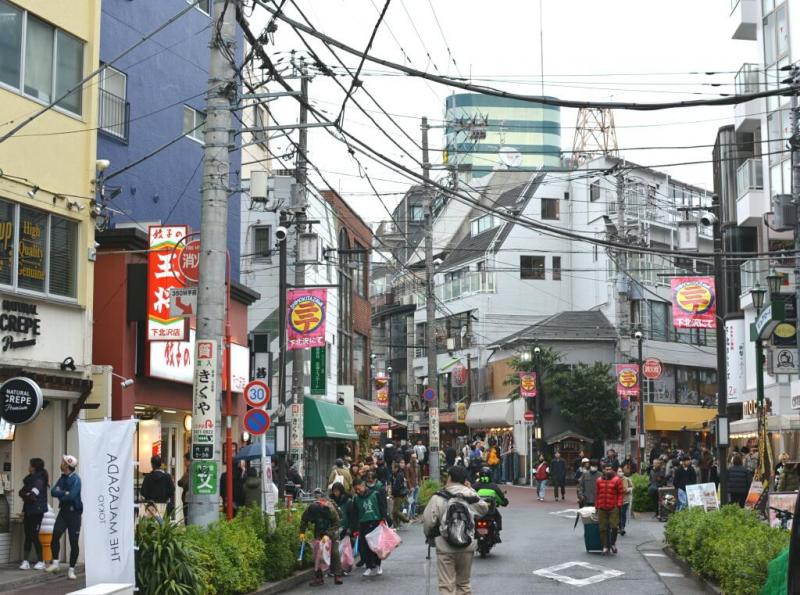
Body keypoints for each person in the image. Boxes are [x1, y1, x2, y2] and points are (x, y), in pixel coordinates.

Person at [423, 465, 489, 595]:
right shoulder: (470, 495)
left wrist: (430, 538)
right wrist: (470, 489)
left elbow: (428, 521)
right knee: (464, 585)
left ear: (450, 478)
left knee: (447, 586)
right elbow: (484, 509)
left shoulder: (439, 497)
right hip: (467, 546)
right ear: (465, 480)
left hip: (445, 546)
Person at [46, 455, 82, 580]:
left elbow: (72, 496)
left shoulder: (76, 479)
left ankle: (71, 569)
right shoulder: (62, 478)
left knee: (73, 541)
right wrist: (64, 493)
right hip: (64, 512)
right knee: (55, 534)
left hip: (74, 514)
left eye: (63, 462)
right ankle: (55, 563)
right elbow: (53, 492)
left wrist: (62, 495)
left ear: (67, 465)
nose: (61, 463)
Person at [300, 488, 343, 586]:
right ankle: (319, 577)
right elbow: (304, 520)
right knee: (317, 554)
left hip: (332, 530)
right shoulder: (310, 509)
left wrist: (328, 535)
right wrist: (302, 532)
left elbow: (337, 523)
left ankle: (337, 575)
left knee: (334, 552)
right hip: (319, 531)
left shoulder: (330, 509)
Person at [353, 476, 389, 577]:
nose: (357, 491)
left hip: (375, 522)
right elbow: (355, 514)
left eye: (358, 488)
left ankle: (378, 565)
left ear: (363, 485)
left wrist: (383, 519)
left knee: (377, 546)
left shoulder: (375, 494)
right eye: (355, 490)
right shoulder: (356, 499)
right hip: (363, 523)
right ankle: (369, 566)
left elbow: (382, 507)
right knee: (365, 546)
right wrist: (355, 528)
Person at [18, 457, 48, 570]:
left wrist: (26, 495)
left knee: (34, 534)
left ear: (34, 467)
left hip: (37, 511)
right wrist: (26, 495)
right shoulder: (29, 479)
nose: (28, 467)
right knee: (28, 534)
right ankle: (25, 561)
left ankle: (41, 560)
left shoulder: (39, 480)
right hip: (28, 510)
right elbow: (21, 492)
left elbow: (32, 496)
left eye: (30, 465)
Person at [595, 463, 624, 555]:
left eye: (609, 469)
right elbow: (597, 494)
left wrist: (619, 504)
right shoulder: (599, 480)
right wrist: (596, 506)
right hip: (602, 507)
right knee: (602, 528)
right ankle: (605, 546)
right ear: (603, 470)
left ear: (612, 470)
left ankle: (613, 543)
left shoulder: (617, 480)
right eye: (606, 469)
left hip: (613, 506)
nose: (608, 471)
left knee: (614, 526)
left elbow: (620, 493)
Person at [475, 466, 508, 534]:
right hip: (490, 512)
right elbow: (501, 498)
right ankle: (497, 532)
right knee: (498, 517)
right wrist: (504, 502)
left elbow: (469, 495)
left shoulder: (475, 486)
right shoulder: (494, 486)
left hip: (478, 511)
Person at [391, 459, 410, 526]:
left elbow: (397, 486)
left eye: (393, 468)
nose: (392, 469)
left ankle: (406, 519)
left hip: (399, 495)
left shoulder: (399, 475)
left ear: (396, 468)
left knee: (395, 511)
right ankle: (396, 525)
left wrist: (393, 494)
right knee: (395, 511)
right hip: (399, 494)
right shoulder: (397, 474)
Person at [617, 466, 633, 536]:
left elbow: (632, 487)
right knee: (618, 513)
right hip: (617, 500)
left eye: (621, 471)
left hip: (625, 499)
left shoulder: (627, 479)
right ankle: (619, 527)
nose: (620, 473)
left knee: (623, 513)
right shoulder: (615, 480)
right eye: (619, 471)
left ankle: (622, 527)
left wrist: (628, 489)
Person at [177, 452, 191, 524]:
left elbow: (183, 483)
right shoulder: (187, 471)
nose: (184, 463)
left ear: (190, 461)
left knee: (188, 519)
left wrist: (181, 483)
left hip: (189, 498)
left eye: (185, 461)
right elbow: (180, 482)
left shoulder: (191, 471)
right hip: (186, 498)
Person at [406, 453, 420, 519]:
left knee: (415, 501)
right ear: (411, 458)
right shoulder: (408, 466)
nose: (414, 459)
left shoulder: (417, 466)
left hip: (417, 485)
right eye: (413, 458)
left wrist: (420, 483)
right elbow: (407, 477)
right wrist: (410, 486)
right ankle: (409, 515)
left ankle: (413, 515)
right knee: (410, 501)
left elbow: (419, 475)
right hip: (411, 486)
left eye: (415, 457)